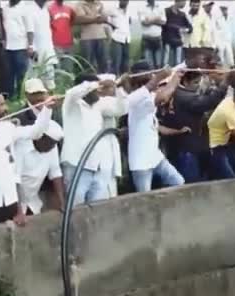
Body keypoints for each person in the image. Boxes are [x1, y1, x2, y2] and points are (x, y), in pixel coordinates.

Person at [0, 89, 55, 227]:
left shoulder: (7, 128)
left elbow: (36, 132)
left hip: (9, 203)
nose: (6, 108)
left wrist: (47, 109)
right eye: (1, 105)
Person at [61, 73, 128, 206]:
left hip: (97, 167)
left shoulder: (99, 104)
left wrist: (119, 88)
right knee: (76, 211)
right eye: (97, 90)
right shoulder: (72, 103)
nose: (100, 93)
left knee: (97, 211)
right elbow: (72, 93)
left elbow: (121, 109)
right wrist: (97, 84)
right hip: (77, 166)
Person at [127, 61, 185, 192]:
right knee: (143, 199)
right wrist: (176, 77)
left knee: (178, 182)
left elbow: (156, 127)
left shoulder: (148, 96)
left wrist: (178, 132)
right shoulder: (139, 101)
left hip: (155, 157)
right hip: (141, 163)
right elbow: (164, 96)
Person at [163, 69, 230, 182]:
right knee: (191, 183)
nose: (197, 86)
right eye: (195, 83)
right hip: (186, 149)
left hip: (191, 147)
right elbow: (208, 101)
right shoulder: (183, 96)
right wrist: (224, 84)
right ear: (185, 82)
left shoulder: (179, 93)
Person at [14, 79, 65, 215]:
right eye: (34, 94)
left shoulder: (51, 145)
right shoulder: (22, 144)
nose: (39, 97)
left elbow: (56, 172)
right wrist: (19, 211)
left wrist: (62, 201)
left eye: (41, 93)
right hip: (13, 202)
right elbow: (15, 179)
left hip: (33, 200)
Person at [3, 0, 34, 100]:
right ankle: (11, 96)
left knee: (21, 74)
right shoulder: (5, 7)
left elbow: (30, 29)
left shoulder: (24, 7)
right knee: (9, 73)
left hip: (21, 46)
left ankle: (21, 96)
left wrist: (30, 46)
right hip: (7, 46)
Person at [27, 0, 57, 90]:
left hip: (48, 47)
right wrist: (31, 47)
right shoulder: (30, 9)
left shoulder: (45, 10)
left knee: (49, 73)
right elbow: (30, 30)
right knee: (35, 76)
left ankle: (51, 94)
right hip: (36, 48)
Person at [75, 0, 108, 73]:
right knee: (88, 64)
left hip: (101, 36)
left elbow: (104, 18)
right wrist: (96, 18)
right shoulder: (80, 4)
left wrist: (89, 18)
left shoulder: (99, 3)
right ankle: (90, 81)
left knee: (103, 63)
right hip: (87, 38)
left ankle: (104, 80)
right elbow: (80, 19)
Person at [48, 0, 76, 72]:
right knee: (58, 69)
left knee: (69, 68)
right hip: (56, 43)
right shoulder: (49, 9)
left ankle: (69, 83)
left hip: (69, 42)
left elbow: (72, 21)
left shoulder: (69, 9)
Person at [162, 0, 192, 67]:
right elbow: (163, 24)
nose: (185, 4)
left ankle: (176, 77)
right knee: (165, 63)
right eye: (184, 2)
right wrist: (177, 28)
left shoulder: (182, 14)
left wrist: (185, 30)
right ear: (177, 1)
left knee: (178, 63)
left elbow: (190, 28)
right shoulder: (166, 11)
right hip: (167, 40)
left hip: (178, 41)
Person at [138, 0, 166, 68]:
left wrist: (150, 20)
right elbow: (144, 23)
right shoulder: (142, 8)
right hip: (147, 38)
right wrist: (157, 19)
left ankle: (158, 76)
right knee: (148, 64)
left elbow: (163, 22)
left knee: (158, 63)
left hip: (158, 38)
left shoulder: (160, 7)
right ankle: (150, 77)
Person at [108, 0, 131, 75]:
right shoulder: (113, 9)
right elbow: (107, 21)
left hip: (126, 38)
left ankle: (124, 81)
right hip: (116, 38)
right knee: (116, 62)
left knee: (126, 63)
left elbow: (129, 22)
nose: (125, 2)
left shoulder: (129, 11)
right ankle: (114, 80)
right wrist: (112, 30)